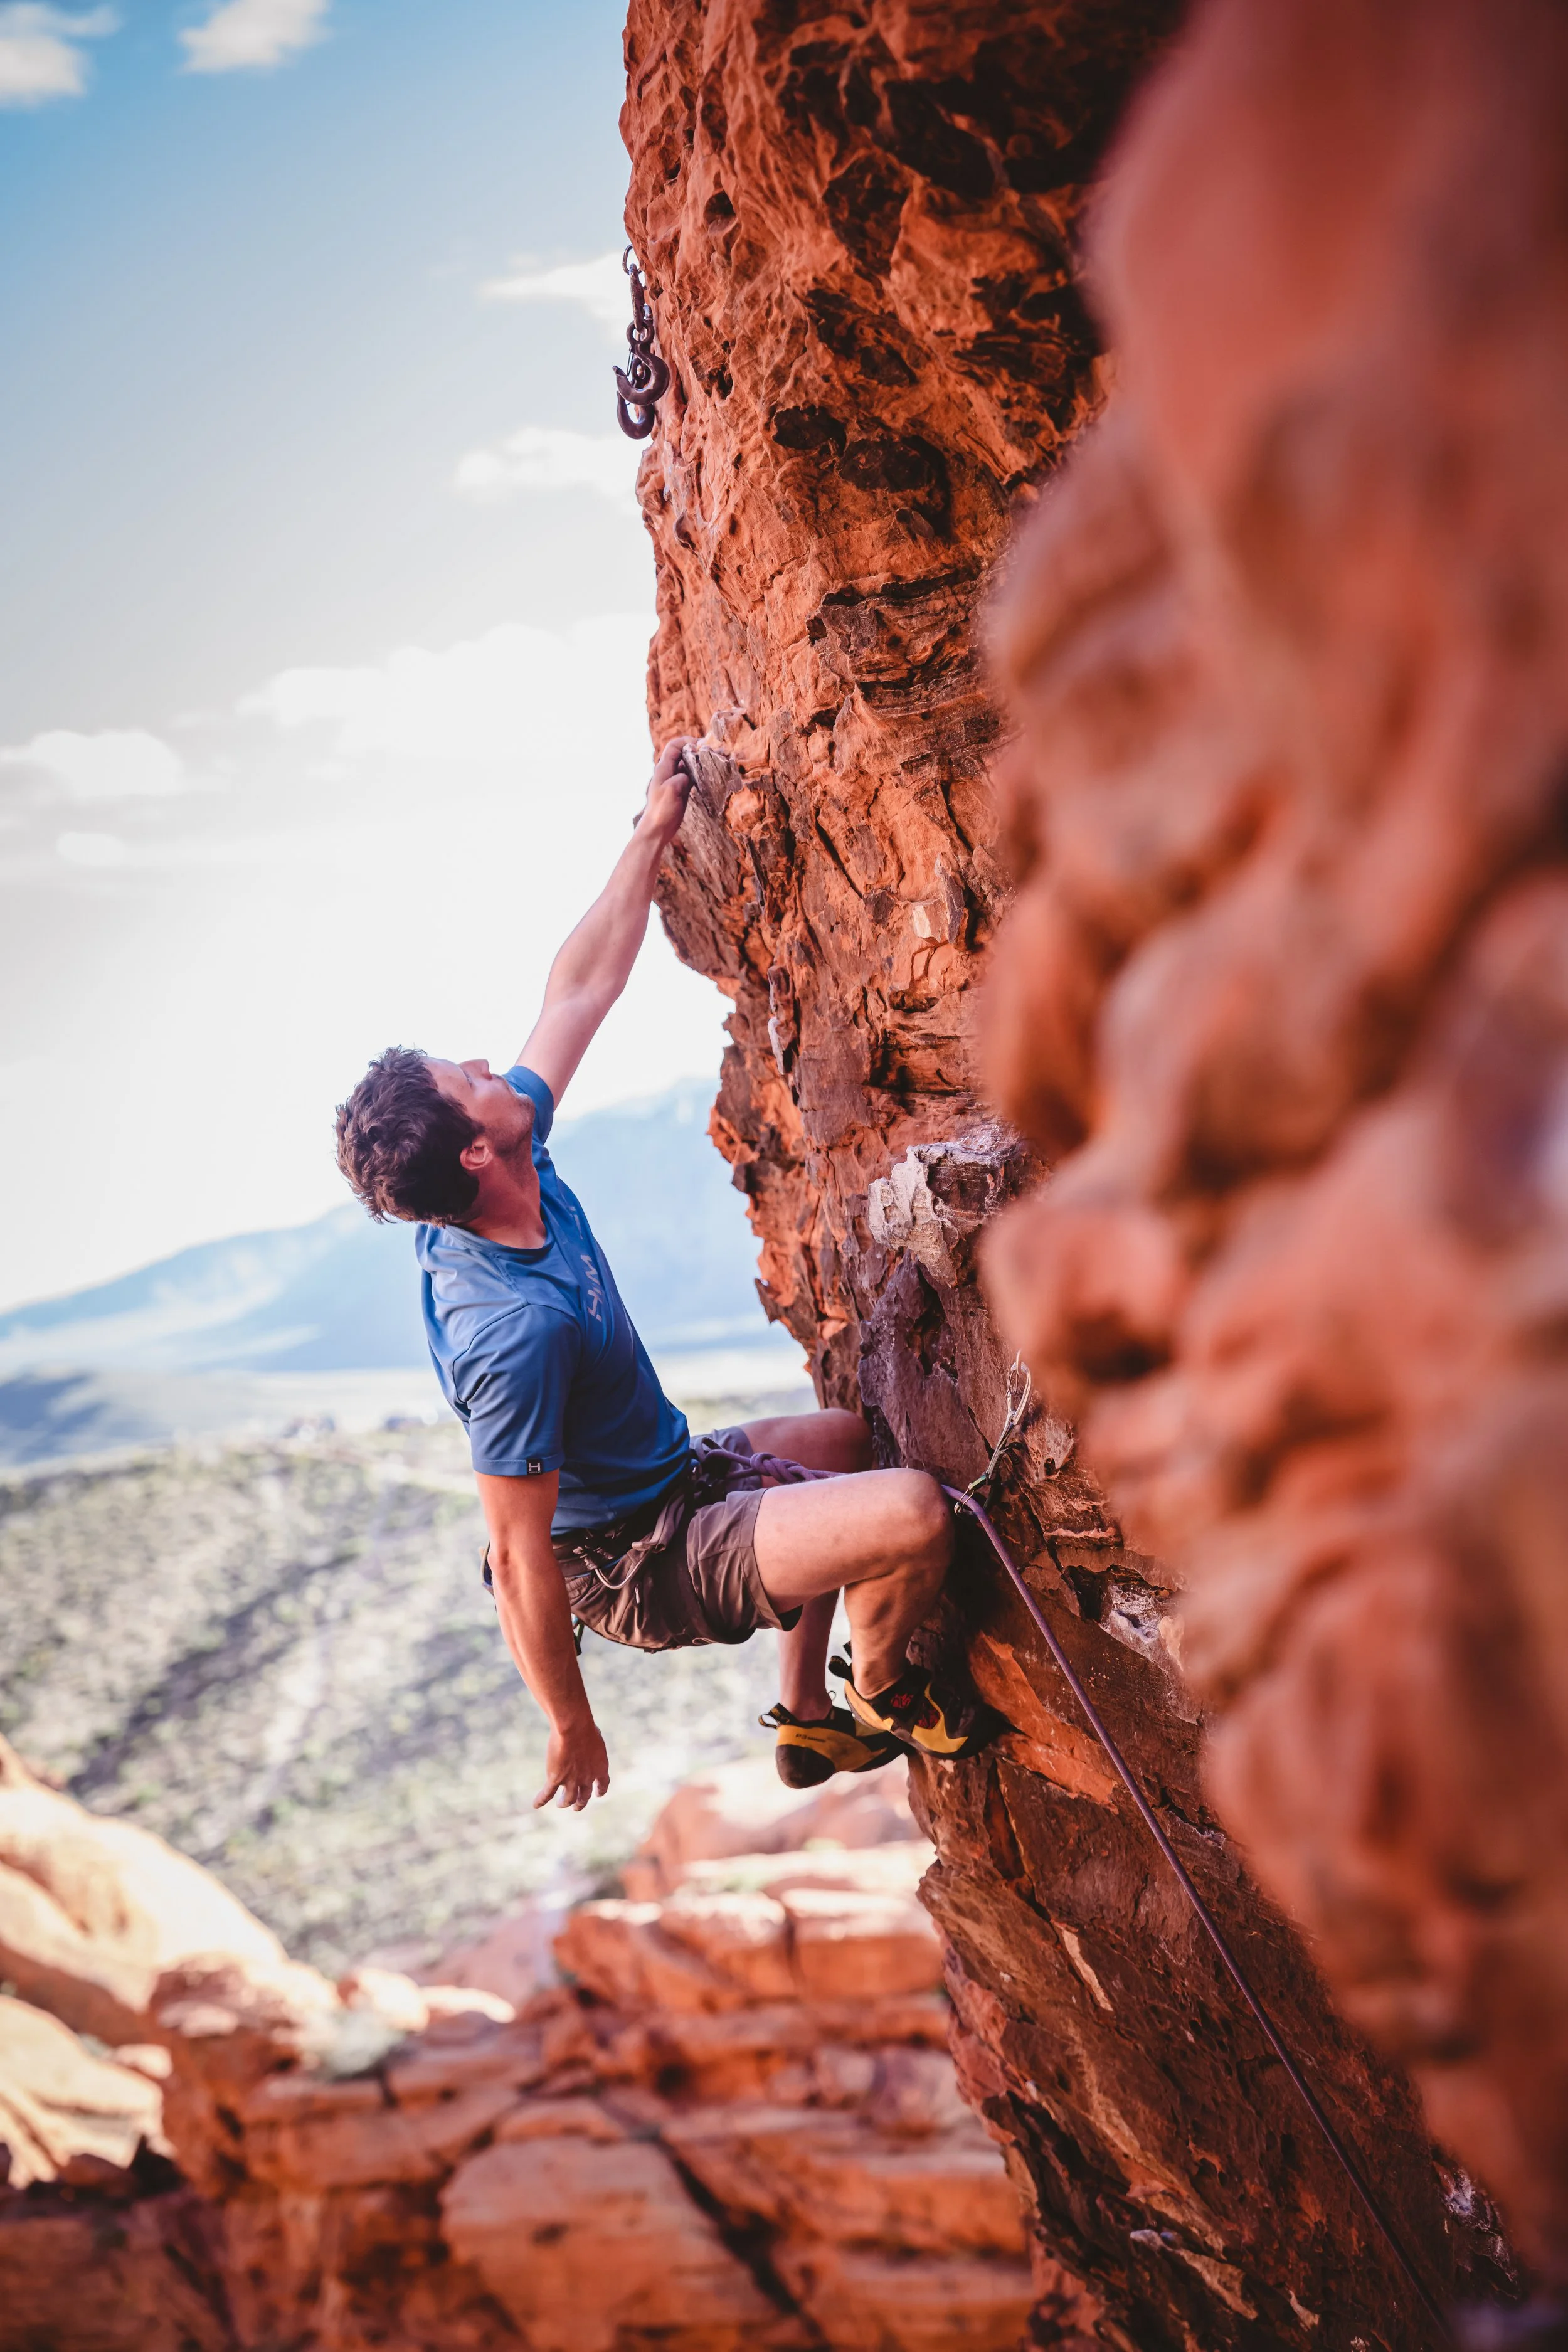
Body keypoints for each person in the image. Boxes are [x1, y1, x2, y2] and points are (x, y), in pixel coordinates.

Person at [334, 739, 989, 1814]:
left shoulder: (513, 1153)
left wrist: (649, 836)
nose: (489, 1063)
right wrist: (571, 1722)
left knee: (842, 1440)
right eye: (467, 1078)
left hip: (671, 1477)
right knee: (913, 1512)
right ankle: (881, 1692)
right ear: (469, 1151)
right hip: (644, 1561)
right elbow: (516, 1550)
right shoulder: (514, 1332)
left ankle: (807, 1729)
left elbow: (580, 987)